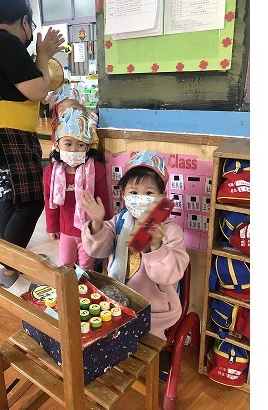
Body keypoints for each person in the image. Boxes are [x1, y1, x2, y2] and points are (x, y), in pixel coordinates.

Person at [0, 0, 64, 295]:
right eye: (31, 27)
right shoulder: (5, 44)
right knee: (29, 202)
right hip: (3, 144)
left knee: (11, 200)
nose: (31, 35)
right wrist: (43, 55)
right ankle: (7, 268)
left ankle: (9, 266)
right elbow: (39, 90)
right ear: (24, 21)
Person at [79, 150, 189, 381]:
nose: (140, 198)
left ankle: (158, 355)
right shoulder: (120, 221)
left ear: (161, 197)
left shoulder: (170, 231)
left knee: (148, 344)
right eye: (133, 192)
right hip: (118, 300)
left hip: (155, 309)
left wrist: (156, 245)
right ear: (124, 195)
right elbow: (98, 250)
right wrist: (97, 223)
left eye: (148, 193)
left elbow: (169, 275)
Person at [42, 85, 111, 271]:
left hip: (89, 230)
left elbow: (102, 199)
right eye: (68, 144)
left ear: (88, 147)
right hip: (65, 230)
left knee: (86, 267)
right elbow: (49, 202)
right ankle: (67, 289)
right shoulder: (52, 172)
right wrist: (52, 227)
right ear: (57, 145)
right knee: (65, 264)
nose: (74, 149)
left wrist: (105, 227)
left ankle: (83, 290)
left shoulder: (96, 169)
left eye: (80, 145)